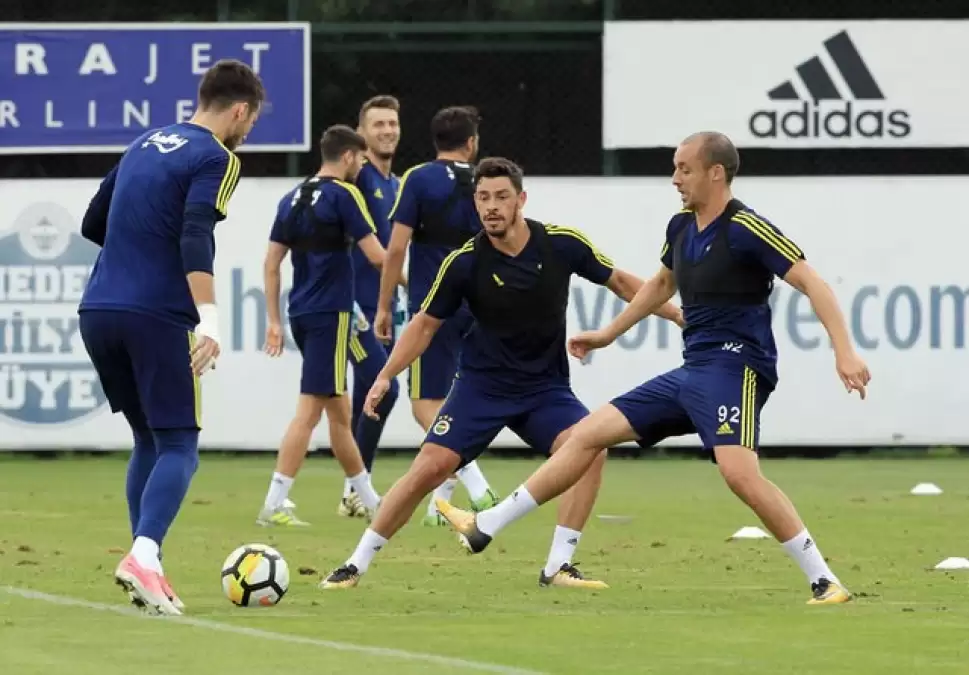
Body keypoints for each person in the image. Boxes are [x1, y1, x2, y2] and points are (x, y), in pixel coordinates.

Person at [436, 132, 869, 606]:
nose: (675, 179)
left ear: (716, 173)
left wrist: (844, 352)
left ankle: (825, 581)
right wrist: (608, 333)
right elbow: (661, 285)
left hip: (736, 366)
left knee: (740, 475)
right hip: (693, 370)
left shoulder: (746, 227)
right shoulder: (681, 226)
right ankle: (489, 525)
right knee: (587, 434)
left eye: (684, 168)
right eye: (675, 168)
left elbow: (813, 283)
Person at [319, 157, 684, 590]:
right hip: (481, 388)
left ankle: (558, 565)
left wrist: (678, 315)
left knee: (592, 447)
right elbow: (423, 325)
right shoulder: (464, 262)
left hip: (544, 391)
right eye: (483, 198)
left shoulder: (561, 243)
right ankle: (355, 564)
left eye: (501, 197)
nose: (491, 206)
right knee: (429, 468)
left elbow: (621, 282)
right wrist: (385, 375)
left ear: (521, 200)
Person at [77, 59, 265, 615]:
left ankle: (147, 566)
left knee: (148, 439)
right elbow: (195, 233)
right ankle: (143, 556)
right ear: (239, 110)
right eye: (252, 122)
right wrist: (209, 318)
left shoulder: (142, 144)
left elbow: (92, 223)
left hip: (98, 308)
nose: (248, 131)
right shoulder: (217, 156)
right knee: (180, 444)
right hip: (155, 315)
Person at [257, 125, 402, 527]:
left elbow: (271, 264)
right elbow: (378, 257)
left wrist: (273, 320)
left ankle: (368, 499)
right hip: (332, 315)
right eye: (360, 160)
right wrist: (419, 282)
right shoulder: (345, 195)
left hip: (302, 313)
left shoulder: (292, 197)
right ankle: (274, 503)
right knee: (309, 413)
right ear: (350, 156)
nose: (361, 167)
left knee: (339, 414)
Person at [376, 106, 499, 525]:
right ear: (471, 143)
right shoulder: (485, 182)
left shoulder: (418, 178)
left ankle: (478, 486)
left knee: (425, 405)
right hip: (478, 305)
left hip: (433, 308)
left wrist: (383, 305)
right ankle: (440, 505)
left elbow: (396, 248)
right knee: (456, 401)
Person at [336, 95, 404, 519]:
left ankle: (353, 491)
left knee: (368, 394)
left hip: (385, 307)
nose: (387, 131)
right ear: (361, 133)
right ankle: (356, 489)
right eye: (378, 124)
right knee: (386, 388)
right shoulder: (357, 178)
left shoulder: (396, 185)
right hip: (353, 307)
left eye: (392, 123)